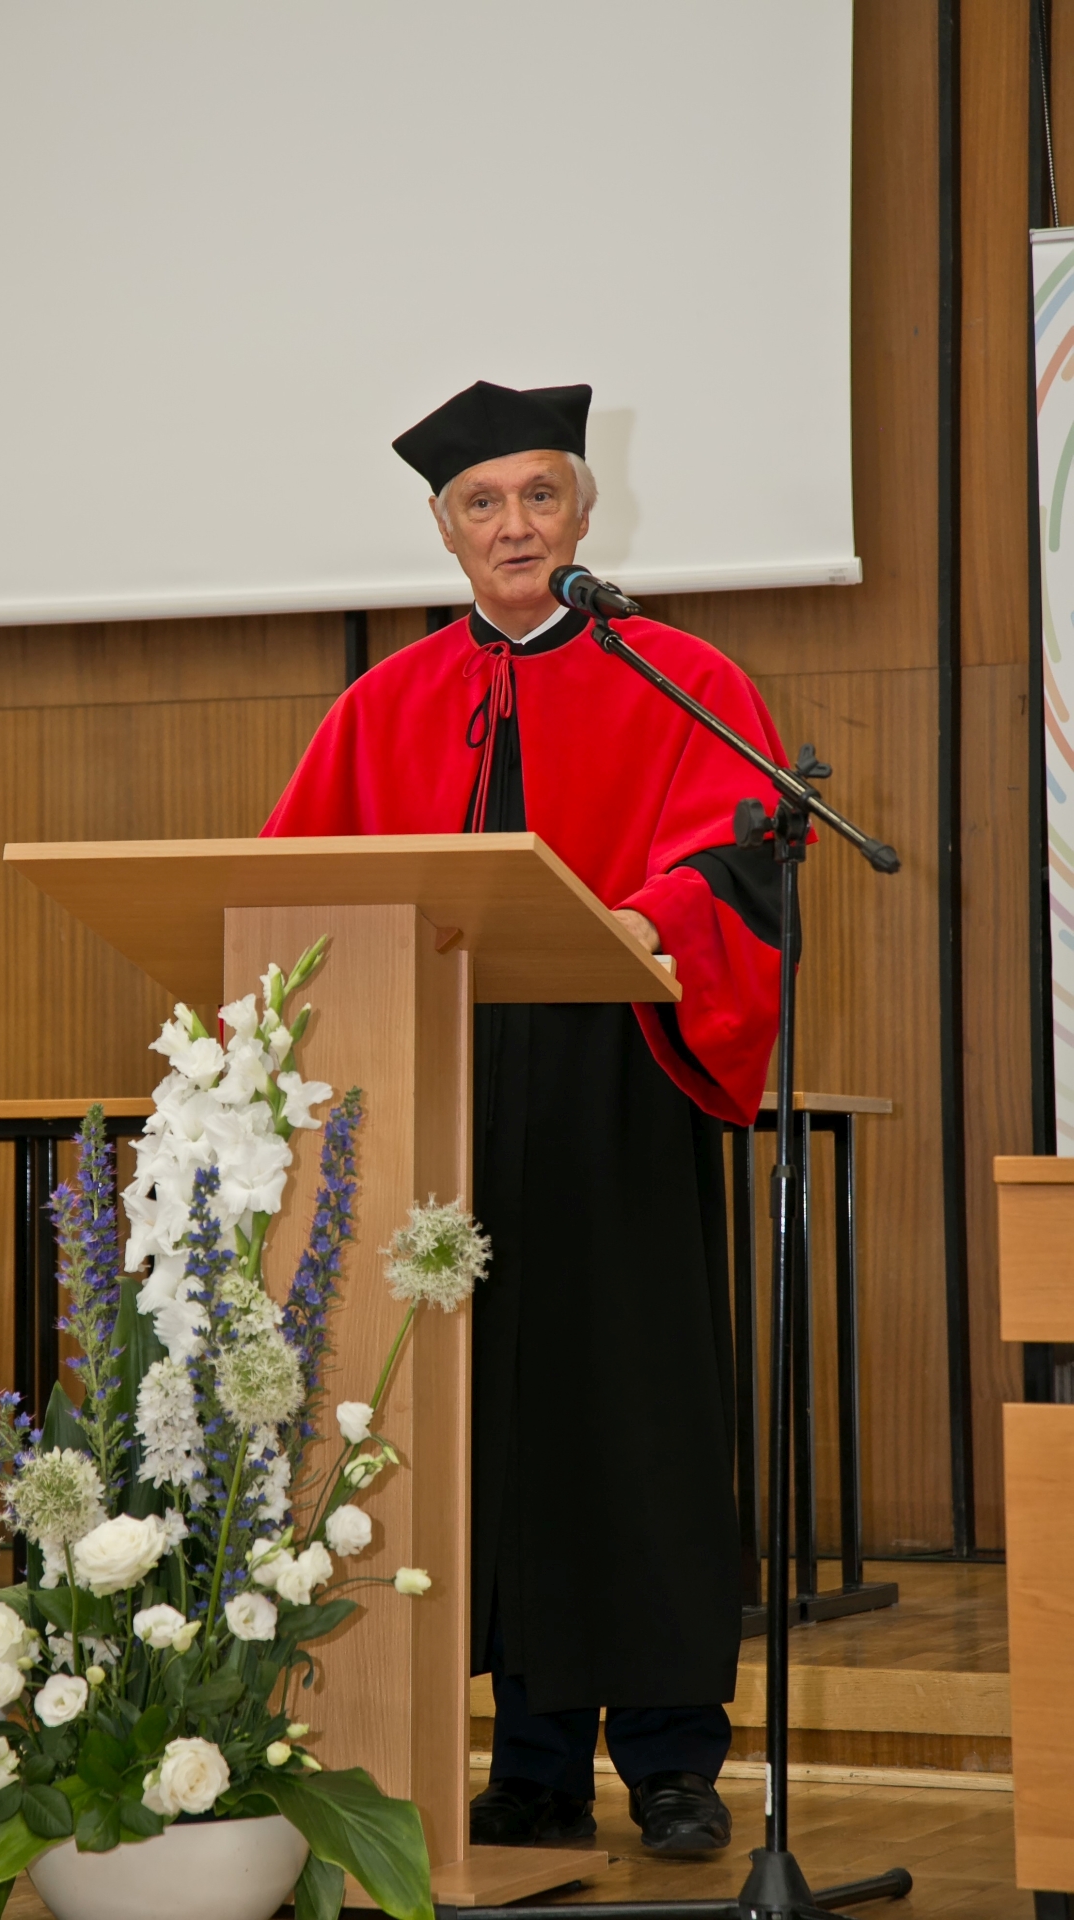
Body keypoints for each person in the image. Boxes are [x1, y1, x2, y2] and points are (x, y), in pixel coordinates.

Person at [262, 380, 788, 1857]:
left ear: (585, 511)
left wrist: (652, 911)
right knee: (483, 1420)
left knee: (634, 1411)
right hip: (446, 1086)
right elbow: (295, 883)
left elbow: (739, 848)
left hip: (621, 1074)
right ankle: (535, 1760)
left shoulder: (682, 676)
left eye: (539, 496)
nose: (514, 525)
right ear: (444, 531)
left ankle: (674, 1758)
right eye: (482, 504)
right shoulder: (385, 704)